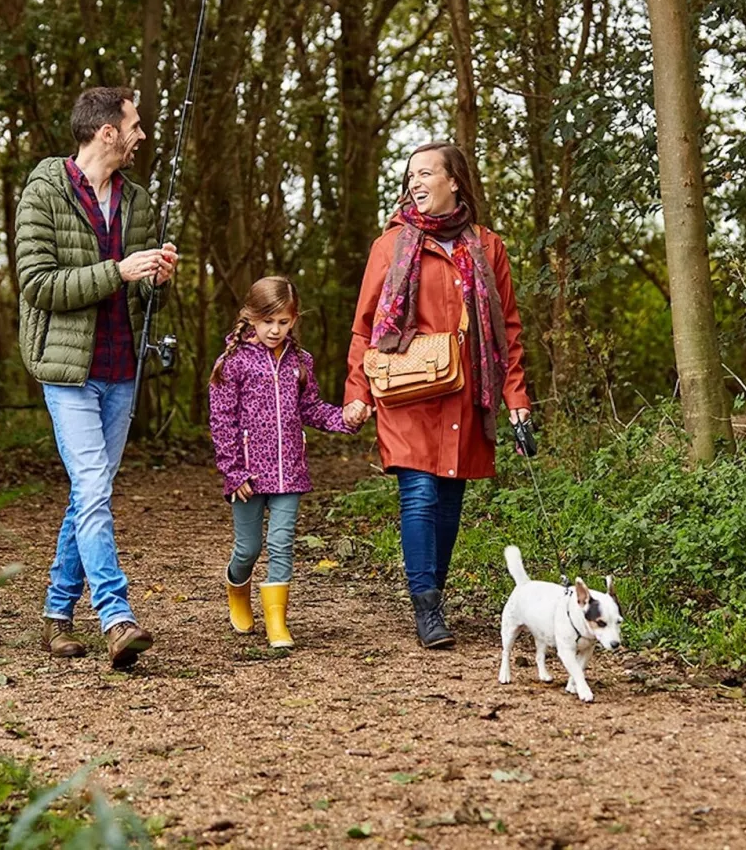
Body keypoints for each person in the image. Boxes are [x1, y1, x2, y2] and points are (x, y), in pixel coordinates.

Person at [14, 86, 179, 670]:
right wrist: (116, 271)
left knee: (91, 494)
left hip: (121, 368)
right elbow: (38, 285)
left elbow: (136, 286)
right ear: (107, 130)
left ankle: (58, 614)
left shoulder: (136, 199)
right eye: (134, 125)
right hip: (67, 371)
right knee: (92, 490)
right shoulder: (43, 192)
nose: (141, 135)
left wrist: (154, 277)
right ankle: (116, 616)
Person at [344, 142, 531, 649]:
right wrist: (357, 390)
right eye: (410, 175)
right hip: (406, 392)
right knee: (420, 494)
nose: (415, 183)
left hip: (468, 389)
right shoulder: (391, 246)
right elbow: (365, 327)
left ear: (454, 181)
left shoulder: (488, 247)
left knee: (449, 498)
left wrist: (518, 402)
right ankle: (426, 607)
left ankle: (434, 596)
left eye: (425, 173)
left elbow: (505, 330)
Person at [207, 277, 364, 648]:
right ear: (251, 317)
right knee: (248, 548)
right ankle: (237, 592)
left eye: (283, 321)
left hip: (290, 471)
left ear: (294, 319)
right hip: (248, 474)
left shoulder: (301, 362)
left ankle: (277, 621)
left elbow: (310, 408)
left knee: (281, 544)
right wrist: (233, 471)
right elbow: (221, 420)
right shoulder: (233, 362)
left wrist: (346, 418)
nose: (275, 330)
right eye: (267, 322)